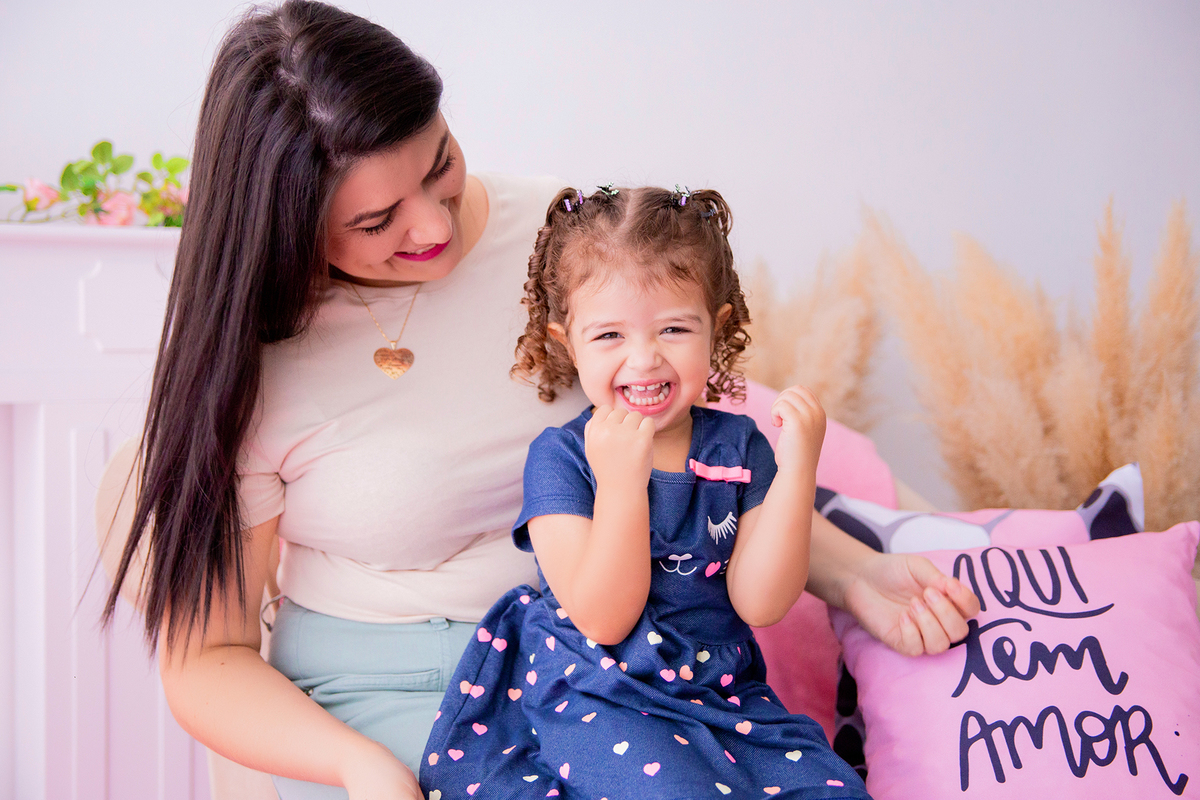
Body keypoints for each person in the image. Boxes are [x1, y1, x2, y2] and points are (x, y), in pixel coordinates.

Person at [101, 3, 979, 799]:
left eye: (440, 165)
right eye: (376, 222)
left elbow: (698, 468)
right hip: (380, 694)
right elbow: (206, 659)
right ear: (288, 224)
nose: (434, 226)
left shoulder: (567, 243)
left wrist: (855, 573)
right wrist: (354, 764)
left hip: (614, 669)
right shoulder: (255, 358)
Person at [420, 185, 870, 800]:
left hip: (724, 692)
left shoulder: (738, 448)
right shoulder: (562, 458)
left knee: (832, 789)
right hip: (599, 688)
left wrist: (797, 469)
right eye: (609, 335)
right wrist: (621, 484)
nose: (644, 359)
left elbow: (761, 602)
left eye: (674, 328)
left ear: (717, 328)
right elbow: (604, 619)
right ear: (566, 342)